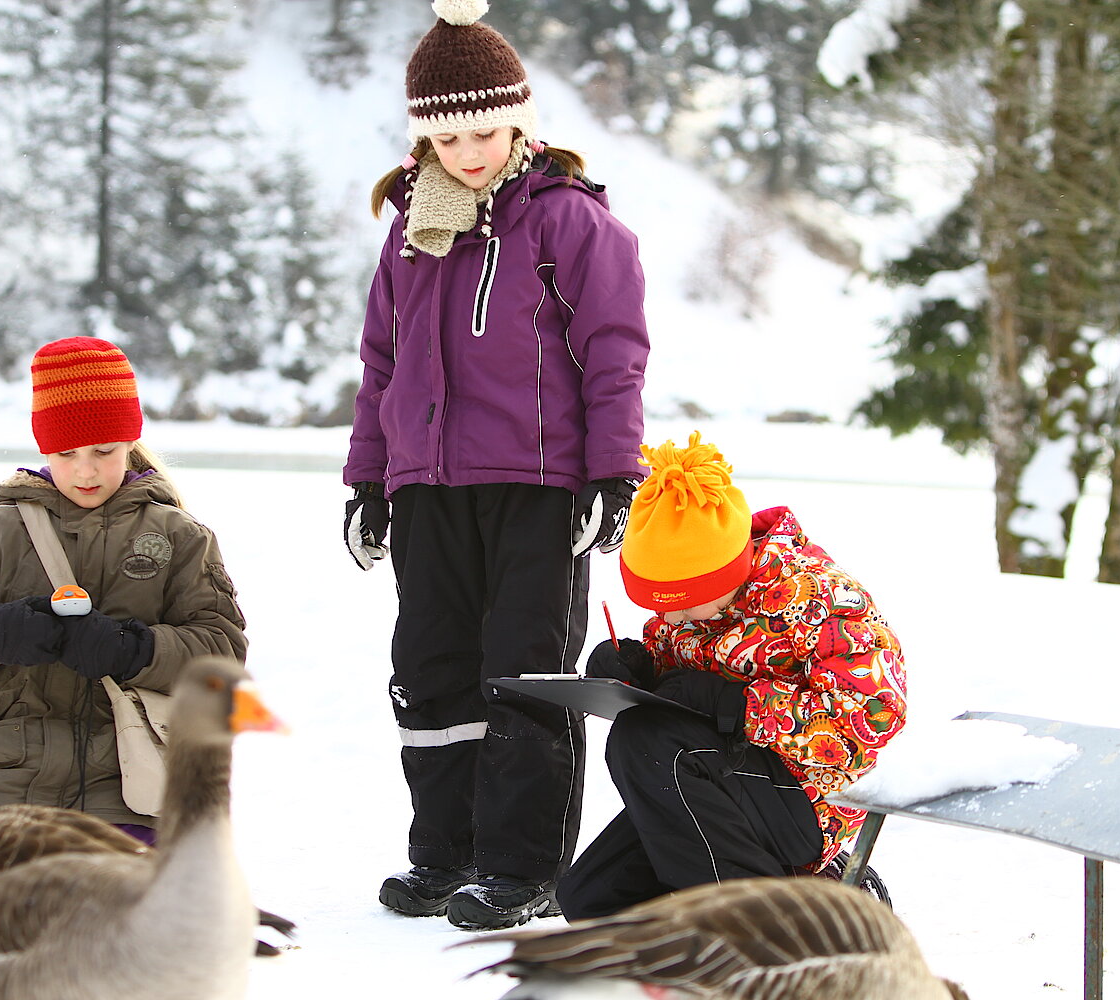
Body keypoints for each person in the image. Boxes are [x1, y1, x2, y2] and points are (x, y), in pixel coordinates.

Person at [341, 0, 650, 930]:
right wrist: (368, 480)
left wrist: (612, 474)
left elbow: (614, 351)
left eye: (487, 129)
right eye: (449, 133)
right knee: (432, 669)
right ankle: (445, 851)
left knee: (524, 674)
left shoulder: (566, 222)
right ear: (422, 137)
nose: (471, 150)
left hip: (539, 487)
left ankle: (521, 866)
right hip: (429, 488)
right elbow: (381, 368)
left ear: (519, 122)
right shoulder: (411, 231)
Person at [556, 433, 906, 920]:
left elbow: (871, 720)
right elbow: (678, 685)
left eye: (677, 602)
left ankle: (760, 930)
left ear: (723, 574)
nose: (669, 619)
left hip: (809, 801)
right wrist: (636, 670)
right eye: (655, 604)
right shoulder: (688, 611)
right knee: (590, 898)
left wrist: (741, 706)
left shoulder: (816, 598)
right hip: (714, 784)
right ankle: (785, 903)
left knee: (647, 744)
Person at [0, 336, 247, 845]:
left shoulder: (179, 535)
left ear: (130, 441)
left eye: (104, 450)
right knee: (0, 916)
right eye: (67, 452)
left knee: (118, 911)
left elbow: (222, 657)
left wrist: (134, 649)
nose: (86, 469)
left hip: (132, 787)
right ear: (44, 446)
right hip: (4, 784)